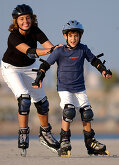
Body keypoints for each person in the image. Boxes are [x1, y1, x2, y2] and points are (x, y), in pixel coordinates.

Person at [32, 20, 112, 157]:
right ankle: (64, 141)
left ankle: (90, 142)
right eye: (71, 36)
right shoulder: (59, 51)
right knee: (68, 111)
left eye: (76, 36)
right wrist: (38, 78)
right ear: (65, 36)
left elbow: (94, 61)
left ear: (80, 36)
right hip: (64, 87)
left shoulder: (83, 49)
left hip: (80, 87)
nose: (73, 39)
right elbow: (46, 64)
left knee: (87, 113)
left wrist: (103, 71)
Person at [1, 4, 60, 156]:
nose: (25, 21)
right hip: (11, 68)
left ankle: (45, 133)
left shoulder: (35, 31)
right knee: (24, 99)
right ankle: (23, 133)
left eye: (28, 18)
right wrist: (52, 50)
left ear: (32, 19)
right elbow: (30, 52)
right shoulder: (13, 36)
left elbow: (50, 47)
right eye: (21, 19)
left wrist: (59, 51)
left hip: (29, 67)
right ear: (16, 21)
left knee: (42, 103)